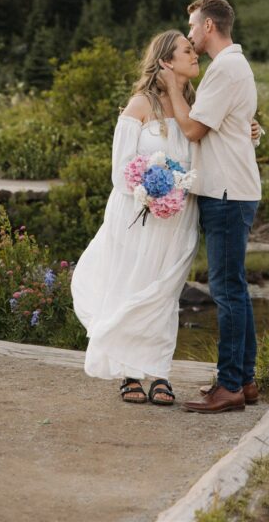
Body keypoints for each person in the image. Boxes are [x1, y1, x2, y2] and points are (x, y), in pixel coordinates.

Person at [71, 30, 201, 406]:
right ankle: (129, 374)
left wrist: (254, 132)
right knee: (134, 286)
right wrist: (153, 190)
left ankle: (160, 372)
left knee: (165, 293)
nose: (195, 57)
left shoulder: (195, 104)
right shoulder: (139, 105)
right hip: (137, 214)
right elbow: (121, 168)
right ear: (165, 61)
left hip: (179, 218)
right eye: (187, 51)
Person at [160, 0, 261, 414]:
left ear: (208, 27)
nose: (188, 35)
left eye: (192, 27)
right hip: (232, 190)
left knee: (225, 290)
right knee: (234, 287)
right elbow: (237, 125)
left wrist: (170, 86)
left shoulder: (224, 69)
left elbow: (193, 128)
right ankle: (245, 380)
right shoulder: (233, 67)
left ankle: (230, 387)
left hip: (226, 194)